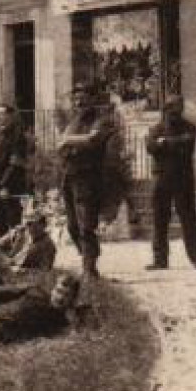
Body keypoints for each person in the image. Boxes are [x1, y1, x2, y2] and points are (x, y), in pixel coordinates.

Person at [56, 85, 112, 280]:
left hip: (89, 178)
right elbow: (60, 148)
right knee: (72, 225)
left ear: (92, 100)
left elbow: (93, 140)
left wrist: (67, 140)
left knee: (86, 224)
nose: (79, 103)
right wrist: (67, 144)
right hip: (69, 176)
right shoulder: (72, 122)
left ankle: (89, 267)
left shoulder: (101, 120)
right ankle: (89, 255)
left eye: (83, 99)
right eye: (76, 99)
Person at [144, 99, 196, 270]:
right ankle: (160, 260)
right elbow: (150, 147)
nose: (173, 112)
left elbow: (188, 145)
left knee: (188, 219)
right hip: (161, 179)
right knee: (159, 220)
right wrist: (168, 143)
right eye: (170, 108)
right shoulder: (156, 129)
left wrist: (164, 142)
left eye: (177, 108)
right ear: (165, 109)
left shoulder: (189, 127)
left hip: (183, 179)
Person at [0, 104, 30, 234]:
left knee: (13, 221)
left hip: (9, 186)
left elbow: (15, 164)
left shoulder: (17, 136)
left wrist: (4, 185)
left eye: (2, 114)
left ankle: (16, 251)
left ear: (11, 116)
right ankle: (5, 251)